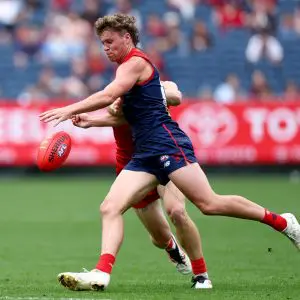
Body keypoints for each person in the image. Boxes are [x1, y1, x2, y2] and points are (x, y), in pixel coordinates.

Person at [40, 14, 300, 291]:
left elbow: (111, 95)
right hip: (144, 153)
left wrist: (70, 109)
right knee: (110, 207)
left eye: (110, 41)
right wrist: (92, 121)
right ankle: (101, 273)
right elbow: (130, 114)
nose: (105, 48)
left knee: (208, 204)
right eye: (102, 43)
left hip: (167, 143)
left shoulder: (136, 62)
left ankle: (283, 222)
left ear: (127, 38)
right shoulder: (126, 68)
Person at [67, 81, 212, 289]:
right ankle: (172, 247)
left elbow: (175, 95)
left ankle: (201, 275)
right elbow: (114, 110)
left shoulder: (158, 85)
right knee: (159, 238)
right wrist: (102, 113)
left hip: (164, 155)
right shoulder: (117, 91)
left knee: (177, 211)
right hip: (133, 167)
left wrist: (149, 96)